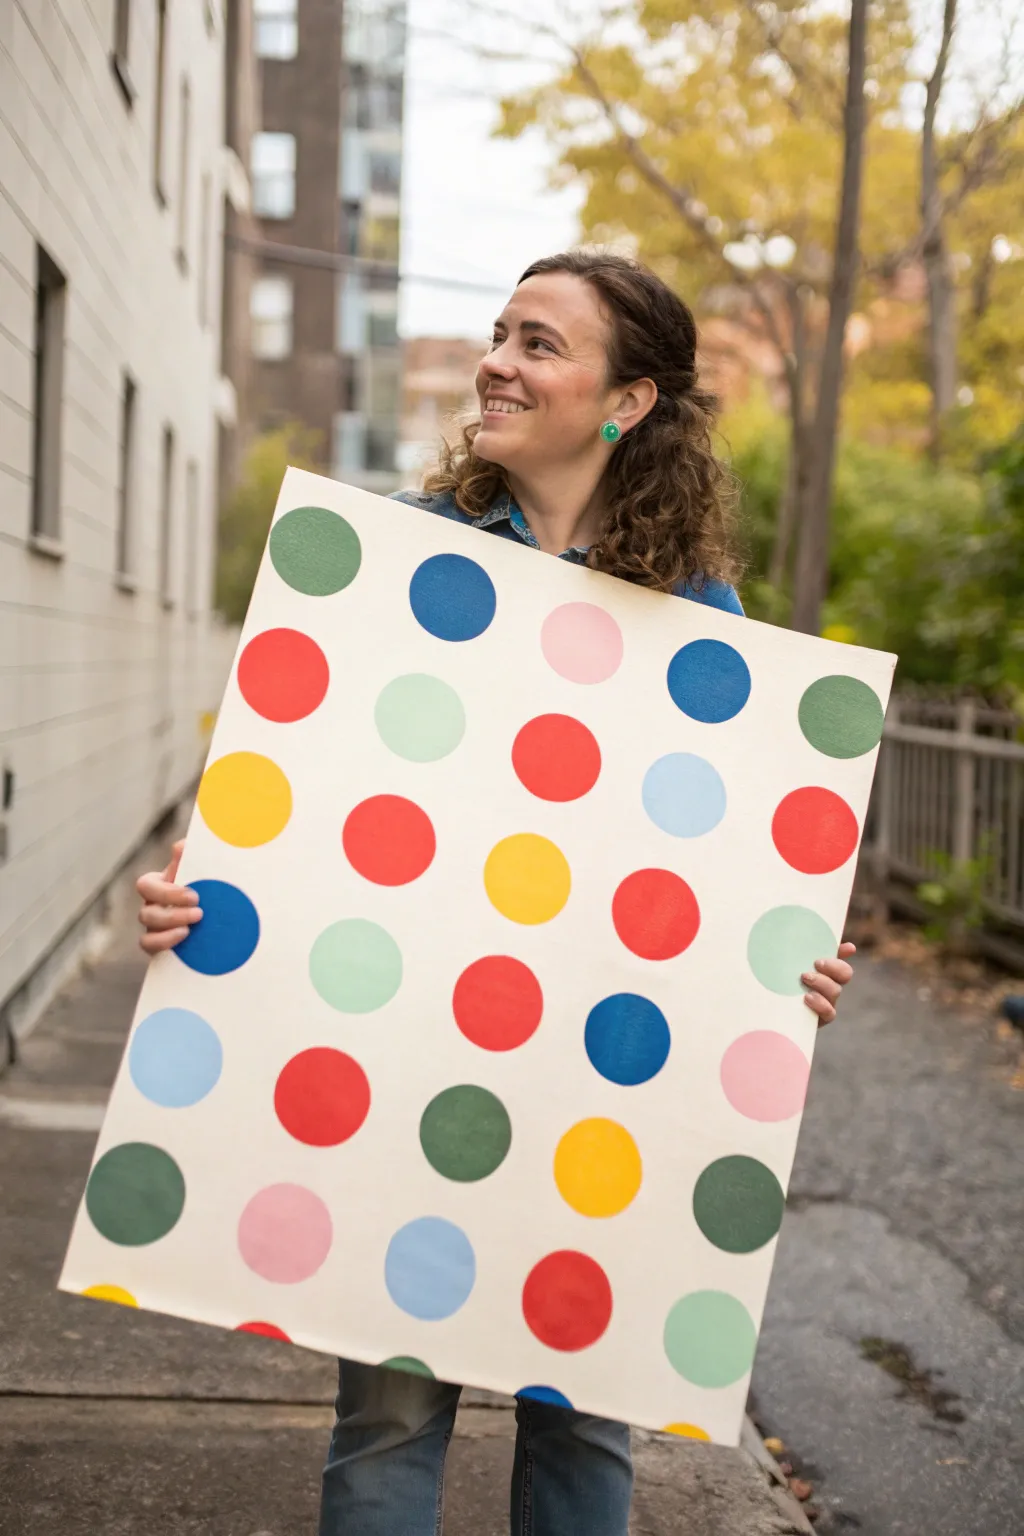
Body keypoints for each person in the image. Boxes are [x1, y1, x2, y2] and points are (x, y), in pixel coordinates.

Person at [136, 251, 857, 1536]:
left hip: (596, 1073)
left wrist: (785, 963)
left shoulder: (700, 616)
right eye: (497, 334)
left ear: (626, 401)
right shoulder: (394, 555)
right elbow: (295, 799)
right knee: (390, 1416)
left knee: (584, 1415)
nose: (496, 363)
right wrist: (202, 903)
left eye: (538, 343)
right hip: (410, 1047)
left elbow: (713, 872)